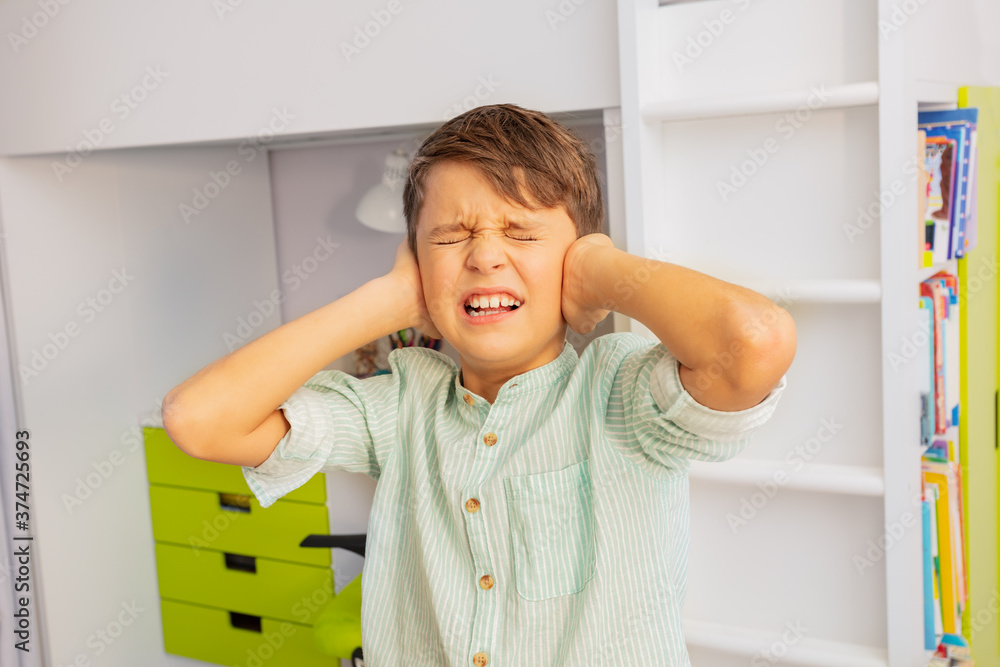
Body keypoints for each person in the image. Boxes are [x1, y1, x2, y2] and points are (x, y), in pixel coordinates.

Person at [162, 103, 795, 666]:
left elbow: (754, 344)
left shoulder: (620, 391)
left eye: (522, 233)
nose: (485, 256)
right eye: (450, 236)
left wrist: (603, 271)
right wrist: (384, 302)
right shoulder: (401, 406)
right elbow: (199, 419)